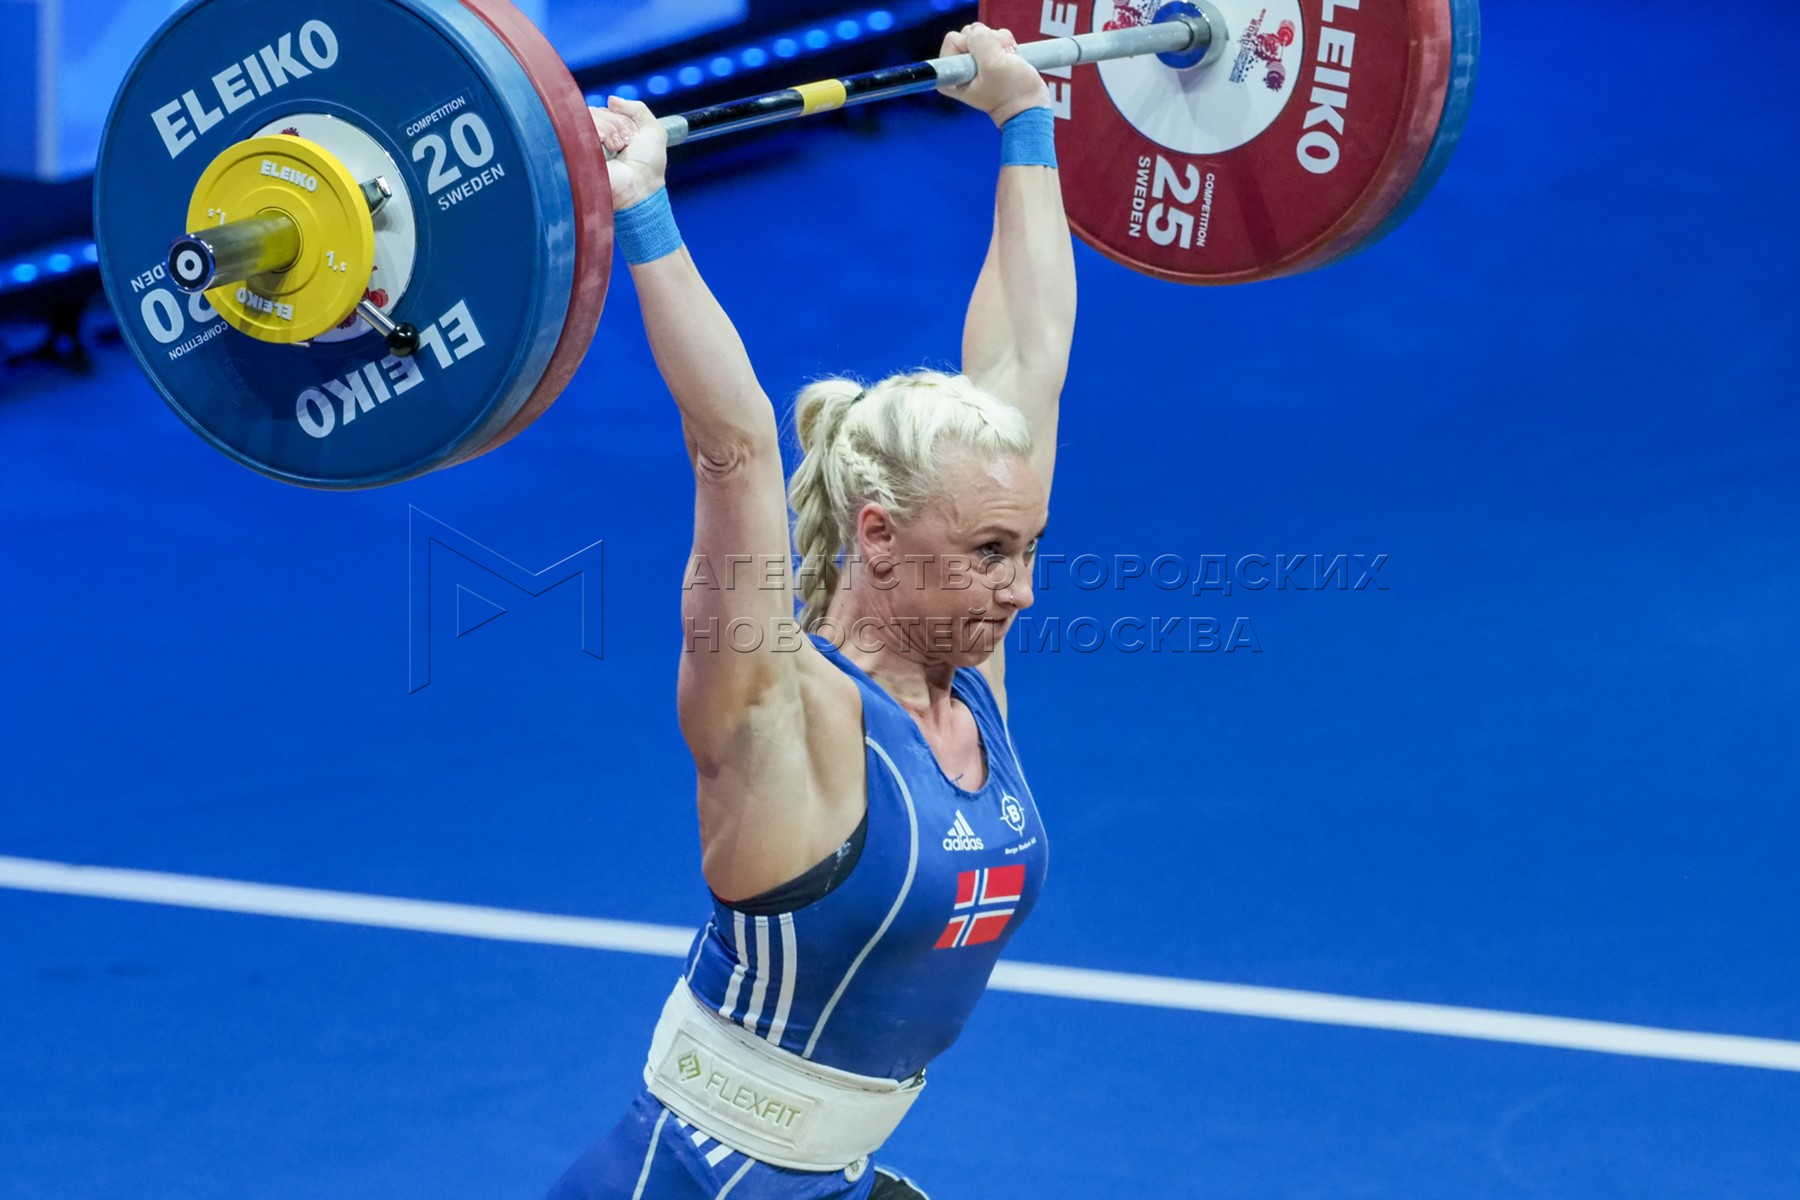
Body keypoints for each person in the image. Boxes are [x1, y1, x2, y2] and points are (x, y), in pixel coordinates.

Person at [550, 22, 1071, 1199]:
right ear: (877, 535)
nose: (1022, 587)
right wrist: (643, 211)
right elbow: (733, 447)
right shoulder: (773, 708)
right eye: (991, 552)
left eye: (1029, 547)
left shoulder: (971, 681)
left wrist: (1026, 121)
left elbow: (1028, 363)